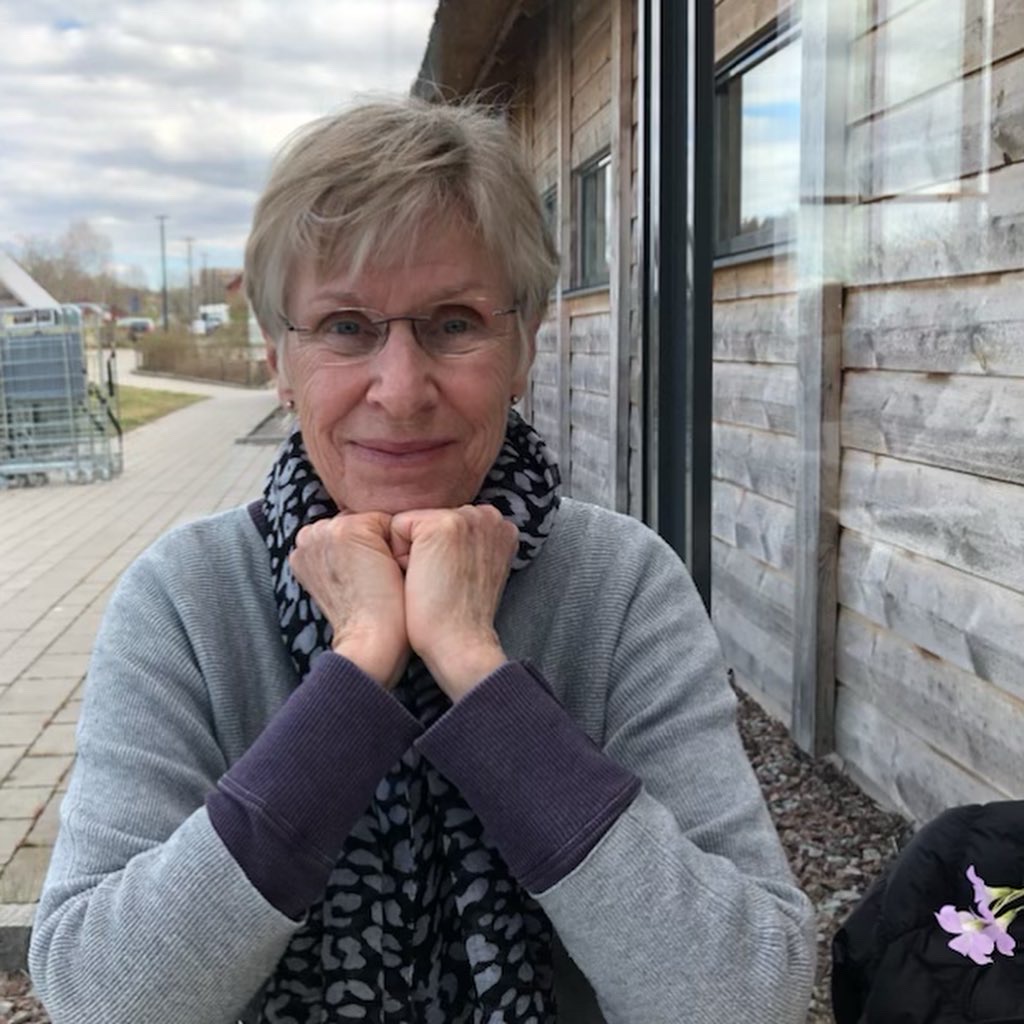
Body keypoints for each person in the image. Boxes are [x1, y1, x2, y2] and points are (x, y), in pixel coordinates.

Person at [29, 97, 815, 1024]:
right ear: (278, 361)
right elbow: (102, 995)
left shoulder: (621, 587)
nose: (401, 391)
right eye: (345, 327)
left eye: (452, 323)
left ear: (522, 349)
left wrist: (477, 670)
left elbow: (746, 995)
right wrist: (355, 675)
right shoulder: (187, 599)